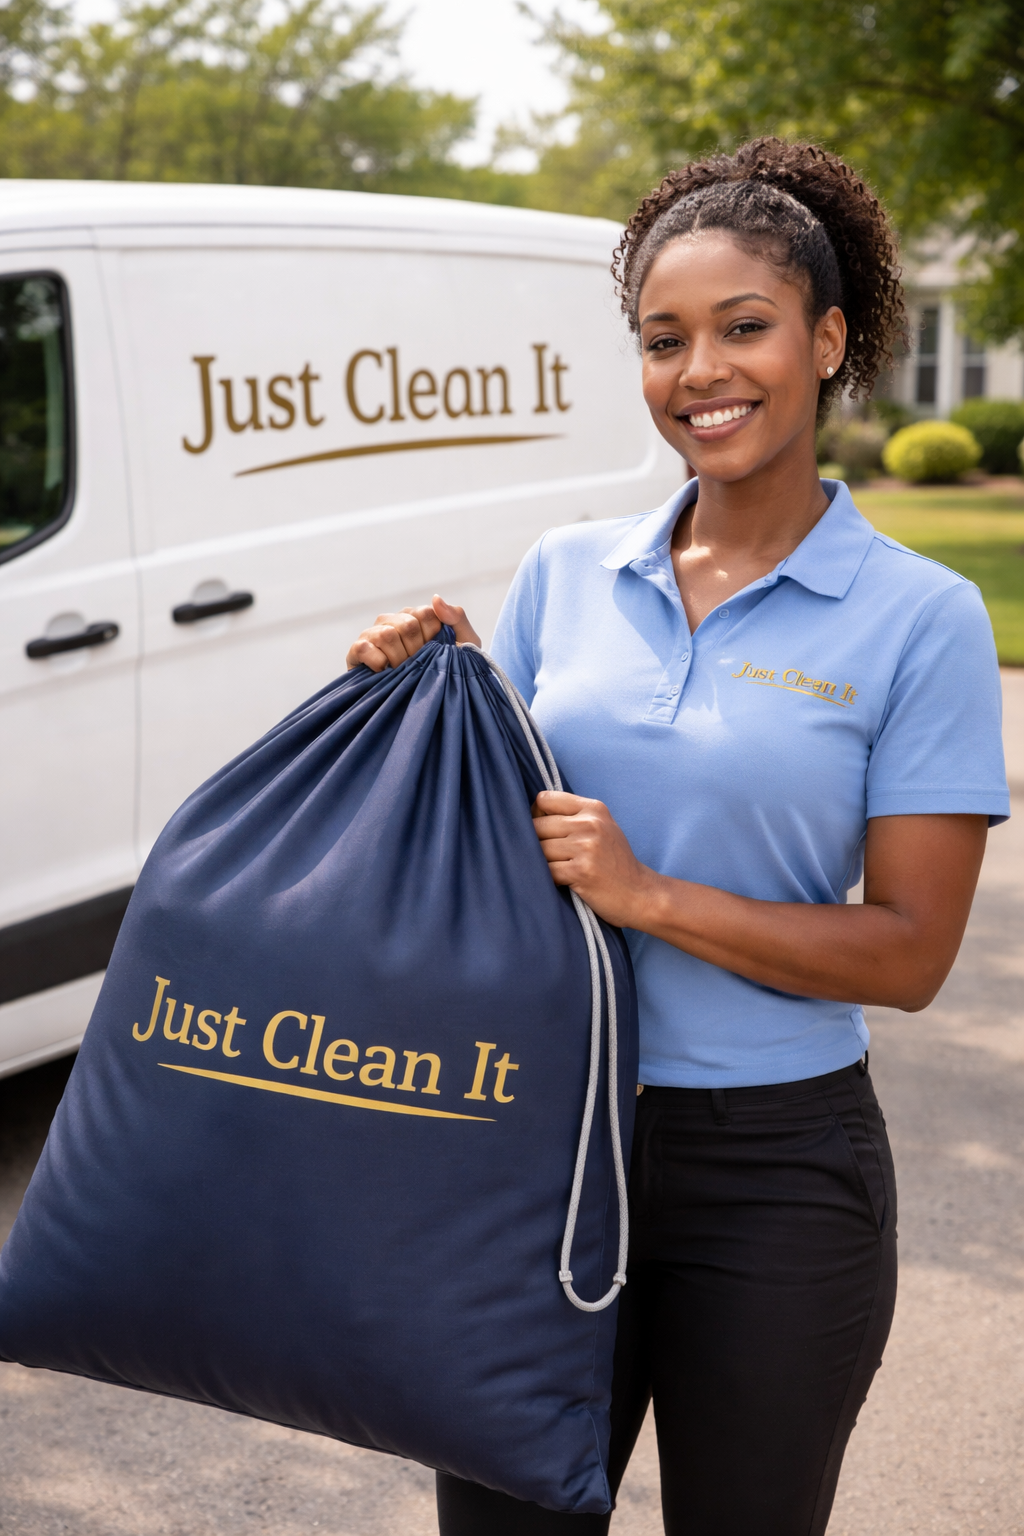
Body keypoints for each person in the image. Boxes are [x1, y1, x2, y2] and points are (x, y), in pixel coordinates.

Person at [346, 139, 1010, 1536]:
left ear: (828, 342)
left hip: (775, 1172)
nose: (700, 371)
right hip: (540, 1141)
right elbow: (493, 839)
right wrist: (423, 693)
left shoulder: (921, 617)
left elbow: (909, 954)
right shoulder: (565, 572)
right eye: (664, 339)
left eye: (743, 327)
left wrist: (650, 895)